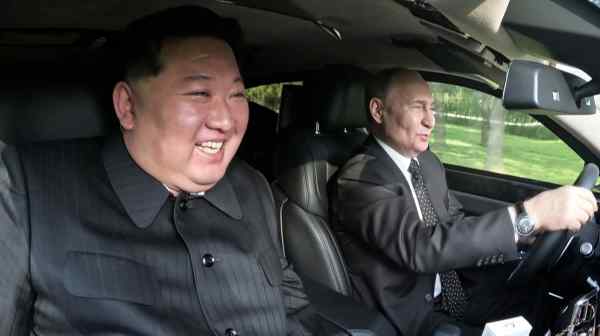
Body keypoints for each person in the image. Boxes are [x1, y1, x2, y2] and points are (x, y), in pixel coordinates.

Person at [0, 6, 316, 335]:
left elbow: (292, 306)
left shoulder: (251, 186)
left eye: (237, 94)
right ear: (127, 106)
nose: (225, 121)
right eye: (199, 93)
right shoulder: (24, 191)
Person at [331, 68, 598, 336]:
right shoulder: (360, 179)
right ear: (378, 111)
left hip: (459, 292)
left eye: (432, 108)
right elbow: (422, 248)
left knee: (543, 303)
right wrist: (529, 216)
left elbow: (454, 223)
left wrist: (529, 232)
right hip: (413, 319)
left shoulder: (427, 163)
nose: (431, 120)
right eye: (418, 107)